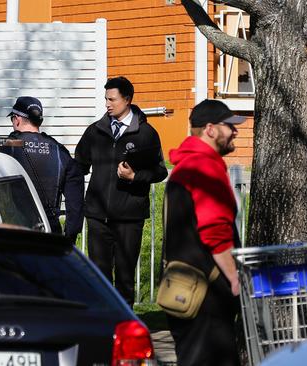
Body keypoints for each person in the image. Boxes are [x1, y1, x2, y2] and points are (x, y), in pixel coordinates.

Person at [162, 99, 244, 366]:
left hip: (186, 288)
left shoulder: (186, 165)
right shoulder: (204, 168)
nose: (235, 131)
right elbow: (216, 233)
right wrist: (235, 278)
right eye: (229, 126)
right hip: (207, 295)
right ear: (210, 129)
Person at [75, 76, 168, 307]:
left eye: (112, 99)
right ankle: (102, 326)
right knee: (100, 276)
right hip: (98, 216)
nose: (107, 104)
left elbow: (159, 172)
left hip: (130, 216)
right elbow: (78, 166)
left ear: (127, 99)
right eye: (105, 99)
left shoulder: (146, 133)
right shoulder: (95, 132)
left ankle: (126, 329)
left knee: (125, 277)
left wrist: (135, 177)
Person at [1, 96, 84, 242]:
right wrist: (70, 235)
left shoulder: (5, 148)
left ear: (17, 119)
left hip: (13, 233)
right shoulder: (59, 151)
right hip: (50, 233)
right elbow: (75, 198)